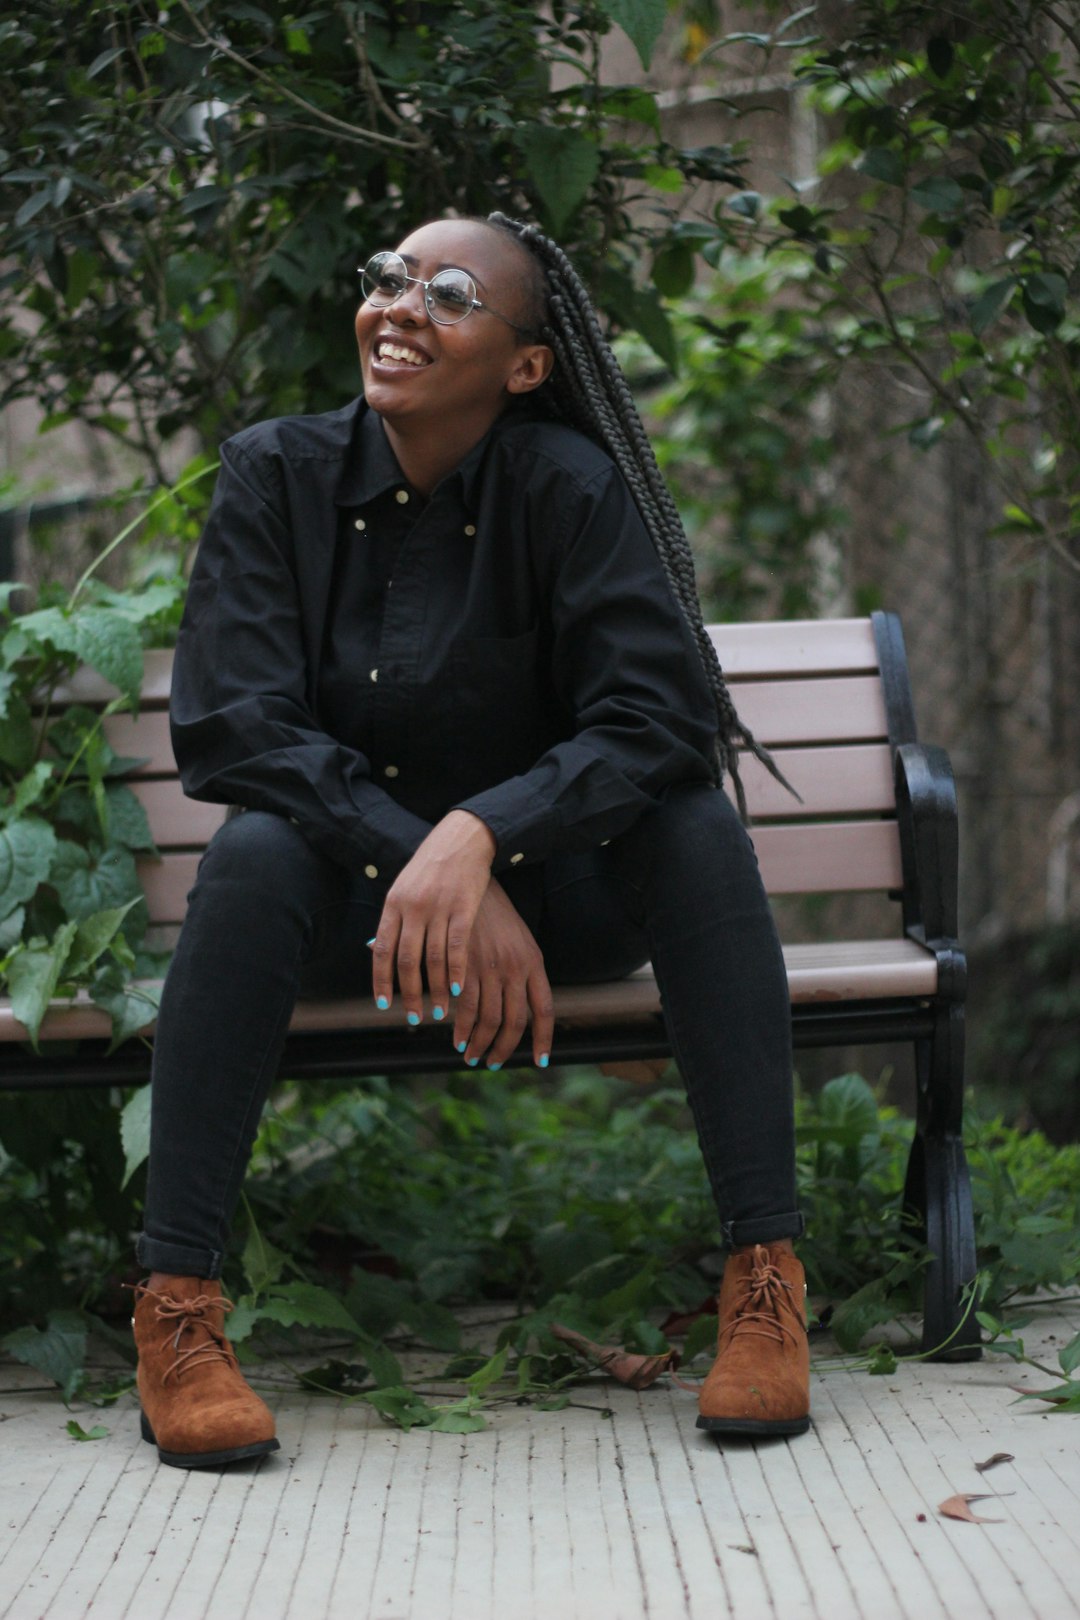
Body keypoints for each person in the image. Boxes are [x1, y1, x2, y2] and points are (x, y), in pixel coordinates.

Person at [130, 213, 810, 1470]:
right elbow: (233, 730)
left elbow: (658, 720)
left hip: (562, 916)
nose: (398, 306)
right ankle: (177, 1315)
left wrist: (487, 835)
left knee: (695, 825)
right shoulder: (276, 475)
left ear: (526, 365)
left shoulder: (570, 492)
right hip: (357, 927)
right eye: (385, 276)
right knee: (257, 853)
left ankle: (765, 1283)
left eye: (446, 293)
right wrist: (426, 854)